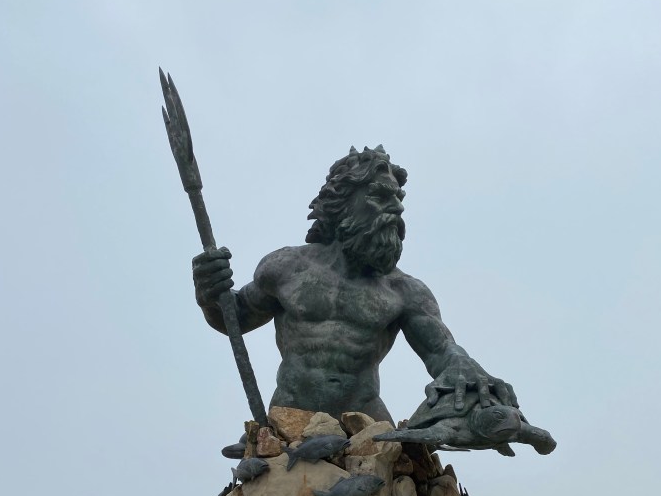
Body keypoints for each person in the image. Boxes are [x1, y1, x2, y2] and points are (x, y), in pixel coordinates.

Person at [192, 145, 518, 425]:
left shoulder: (404, 291)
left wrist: (463, 364)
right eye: (380, 195)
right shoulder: (287, 267)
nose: (397, 208)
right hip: (289, 420)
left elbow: (442, 351)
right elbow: (234, 318)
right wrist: (209, 293)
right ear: (343, 201)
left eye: (398, 198)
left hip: (365, 422)